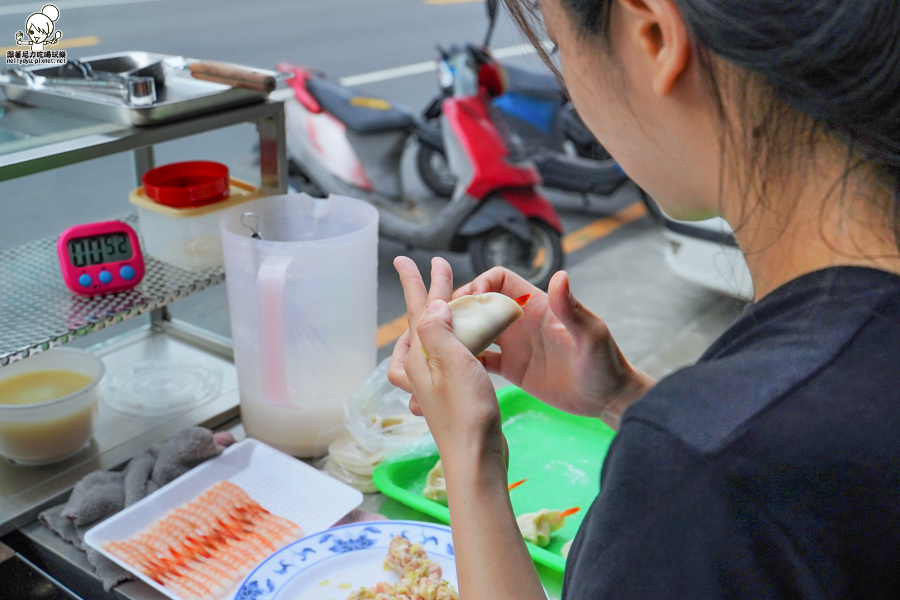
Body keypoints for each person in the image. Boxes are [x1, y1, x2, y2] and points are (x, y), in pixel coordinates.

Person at [388, 0, 900, 597]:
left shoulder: (701, 482)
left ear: (653, 34)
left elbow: (740, 470)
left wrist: (469, 454)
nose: (571, 94)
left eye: (558, 48)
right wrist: (625, 399)